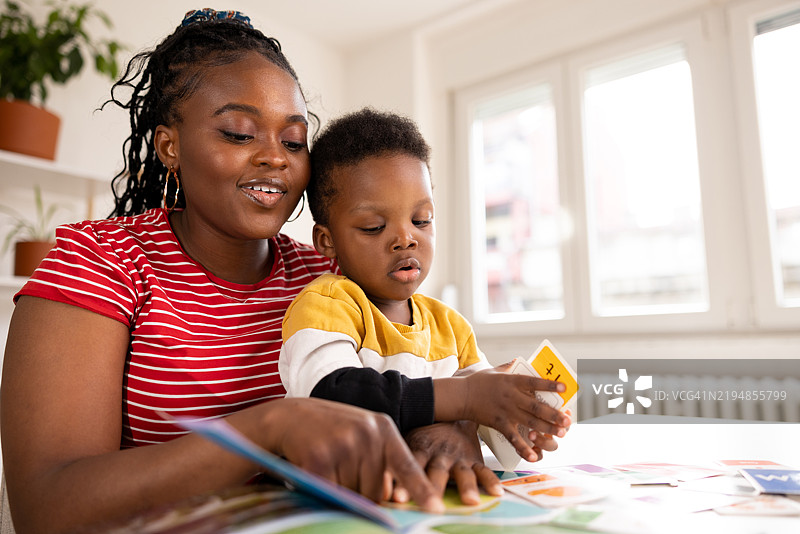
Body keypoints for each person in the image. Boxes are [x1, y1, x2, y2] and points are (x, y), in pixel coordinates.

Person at [0, 10, 448, 534]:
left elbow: (416, 377)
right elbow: (45, 510)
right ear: (170, 146)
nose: (275, 158)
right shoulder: (102, 262)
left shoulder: (327, 277)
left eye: (295, 141)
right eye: (239, 133)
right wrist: (269, 430)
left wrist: (449, 429)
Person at [279, 108, 572, 485]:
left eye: (421, 220)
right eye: (374, 227)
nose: (406, 238)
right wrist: (464, 398)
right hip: (329, 498)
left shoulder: (451, 326)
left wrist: (520, 421)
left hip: (422, 498)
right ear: (327, 240)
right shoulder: (325, 305)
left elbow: (482, 412)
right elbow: (330, 397)